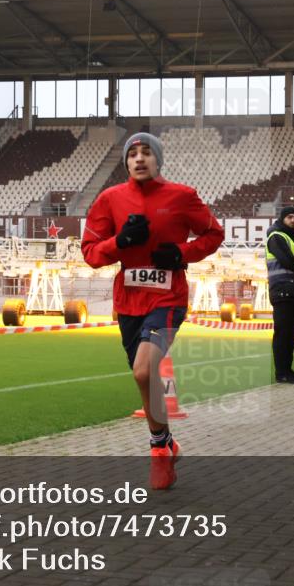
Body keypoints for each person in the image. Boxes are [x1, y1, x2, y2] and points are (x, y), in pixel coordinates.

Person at [82, 132, 224, 489]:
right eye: (133, 154)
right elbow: (90, 253)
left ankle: (157, 449)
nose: (139, 159)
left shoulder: (182, 196)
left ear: (158, 160)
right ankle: (166, 442)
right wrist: (120, 242)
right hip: (128, 301)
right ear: (126, 162)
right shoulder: (110, 199)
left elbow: (213, 234)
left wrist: (180, 253)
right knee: (144, 377)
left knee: (145, 371)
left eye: (147, 152)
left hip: (167, 300)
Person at [266, 205, 294, 383]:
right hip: (281, 289)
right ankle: (281, 373)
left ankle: (288, 370)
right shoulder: (275, 236)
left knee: (291, 333)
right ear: (282, 218)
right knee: (283, 333)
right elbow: (288, 261)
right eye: (289, 217)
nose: (293, 220)